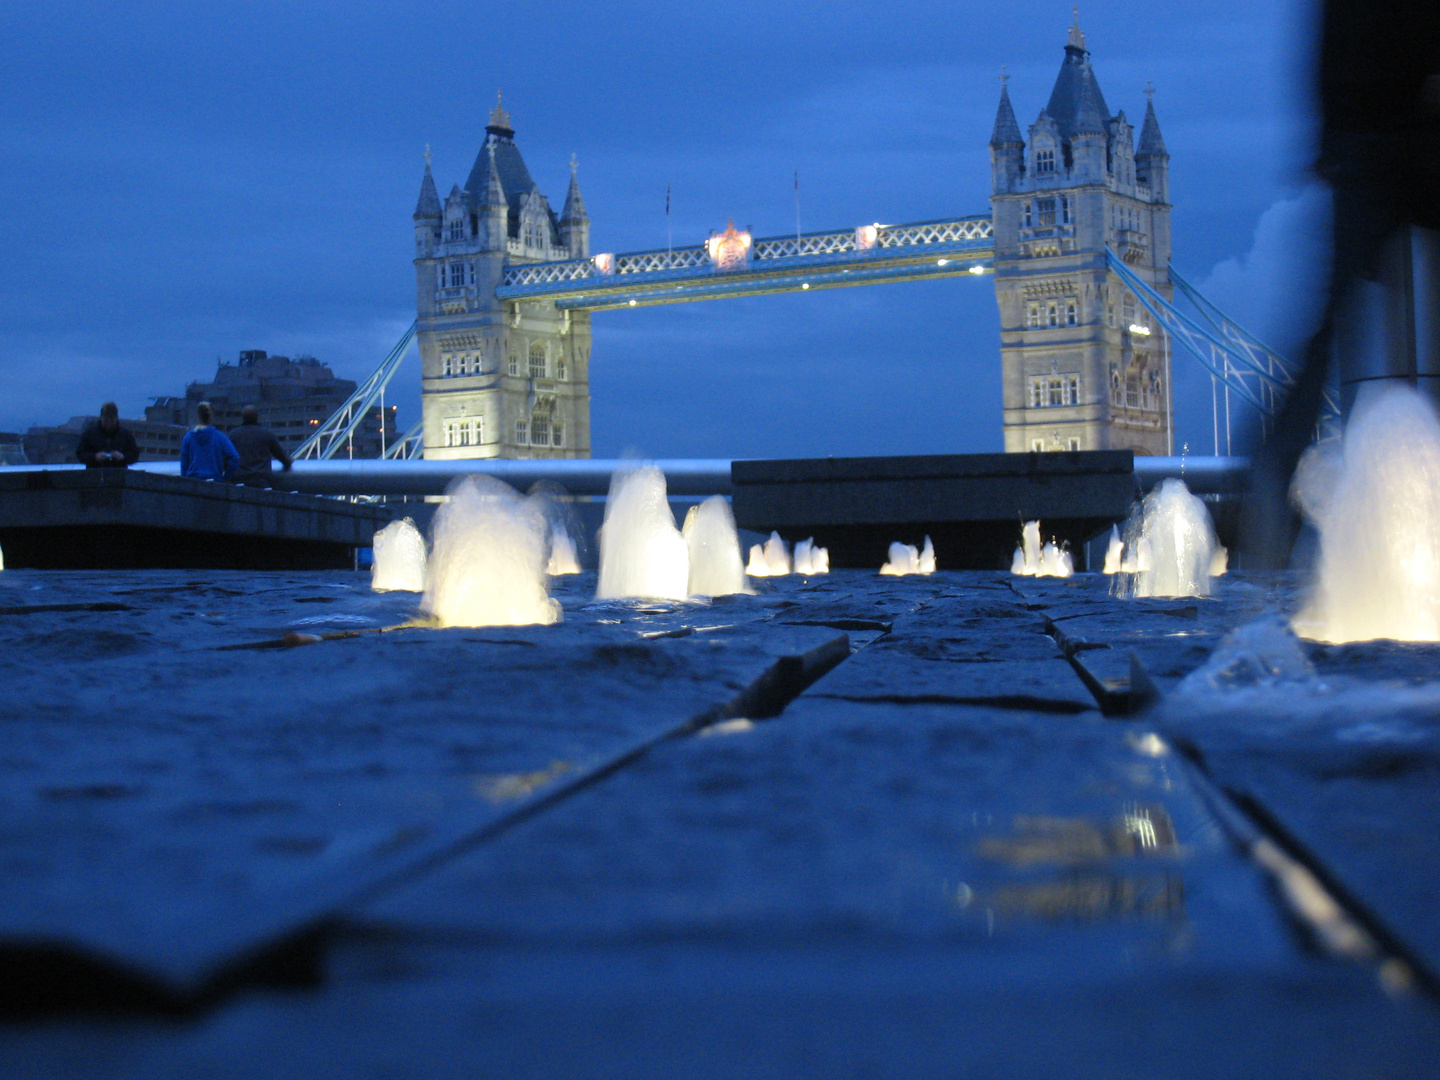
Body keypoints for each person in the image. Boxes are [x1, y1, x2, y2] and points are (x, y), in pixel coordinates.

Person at [227, 405, 294, 487]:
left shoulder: (233, 435)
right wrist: (289, 461)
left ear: (243, 417)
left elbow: (227, 457)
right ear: (257, 417)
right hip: (261, 479)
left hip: (239, 479)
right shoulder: (266, 434)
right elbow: (281, 456)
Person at [180, 401, 239, 481]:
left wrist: (185, 480)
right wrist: (226, 479)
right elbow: (235, 458)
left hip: (193, 482)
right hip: (215, 482)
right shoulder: (220, 437)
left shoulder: (188, 437)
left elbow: (184, 463)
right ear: (212, 416)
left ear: (198, 416)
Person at [74, 402, 139, 469]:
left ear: (116, 419)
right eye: (106, 421)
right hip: (94, 476)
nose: (109, 424)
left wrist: (123, 457)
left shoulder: (125, 435)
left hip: (119, 476)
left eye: (111, 421)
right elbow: (80, 454)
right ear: (101, 418)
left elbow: (135, 455)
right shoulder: (89, 434)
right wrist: (94, 457)